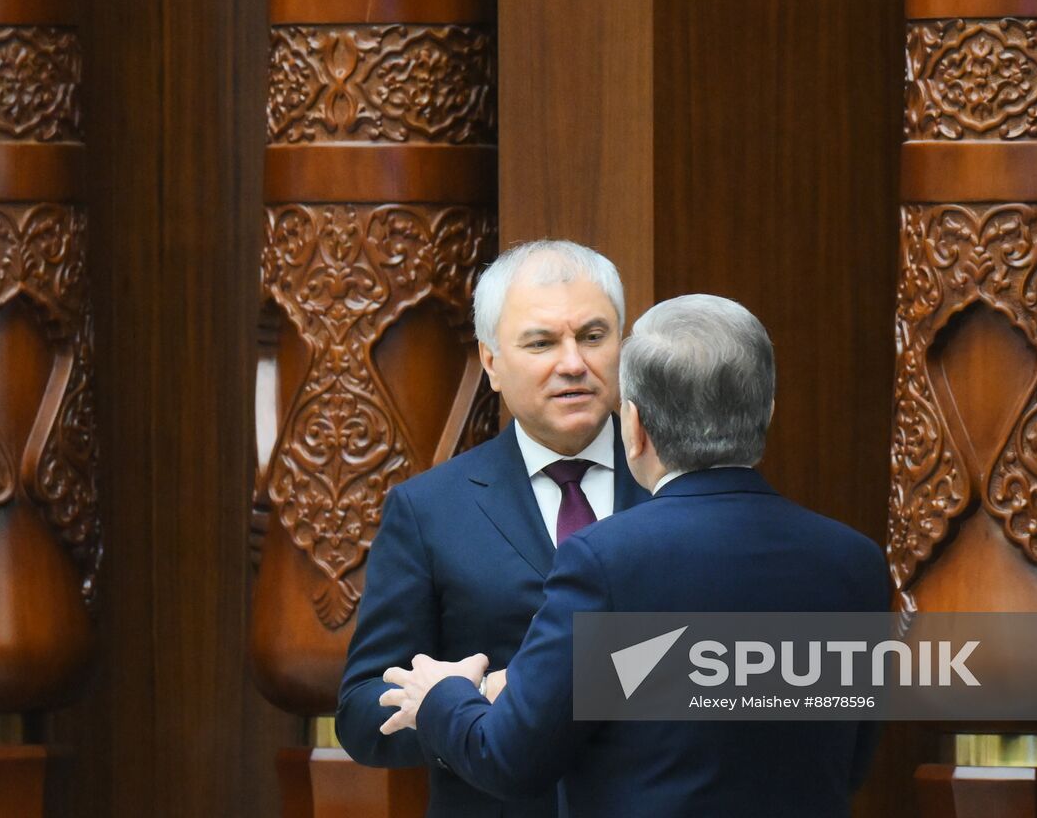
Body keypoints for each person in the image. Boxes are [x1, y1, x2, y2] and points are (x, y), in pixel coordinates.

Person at [377, 294, 889, 817]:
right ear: (768, 413)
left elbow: (510, 758)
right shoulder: (856, 562)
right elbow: (852, 762)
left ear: (634, 425)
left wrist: (444, 695)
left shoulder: (605, 560)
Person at [336, 240, 651, 817]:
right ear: (491, 363)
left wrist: (548, 696)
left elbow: (741, 670)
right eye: (541, 342)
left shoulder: (675, 486)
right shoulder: (430, 509)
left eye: (593, 336)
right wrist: (467, 707)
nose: (573, 362)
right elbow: (361, 711)